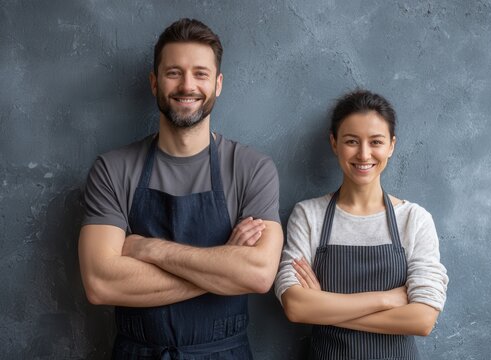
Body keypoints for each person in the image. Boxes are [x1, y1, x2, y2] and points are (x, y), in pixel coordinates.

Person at [78, 18, 283, 359]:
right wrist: (224, 266)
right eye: (174, 72)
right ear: (154, 83)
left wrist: (147, 249)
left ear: (217, 84)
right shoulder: (113, 168)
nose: (187, 85)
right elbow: (100, 283)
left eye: (200, 73)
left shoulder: (252, 168)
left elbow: (259, 274)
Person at [275, 89, 448, 359]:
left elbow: (422, 319)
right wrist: (386, 299)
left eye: (376, 142)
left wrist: (325, 310)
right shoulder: (309, 215)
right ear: (334, 143)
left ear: (391, 145)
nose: (364, 154)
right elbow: (296, 307)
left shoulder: (414, 220)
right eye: (352, 141)